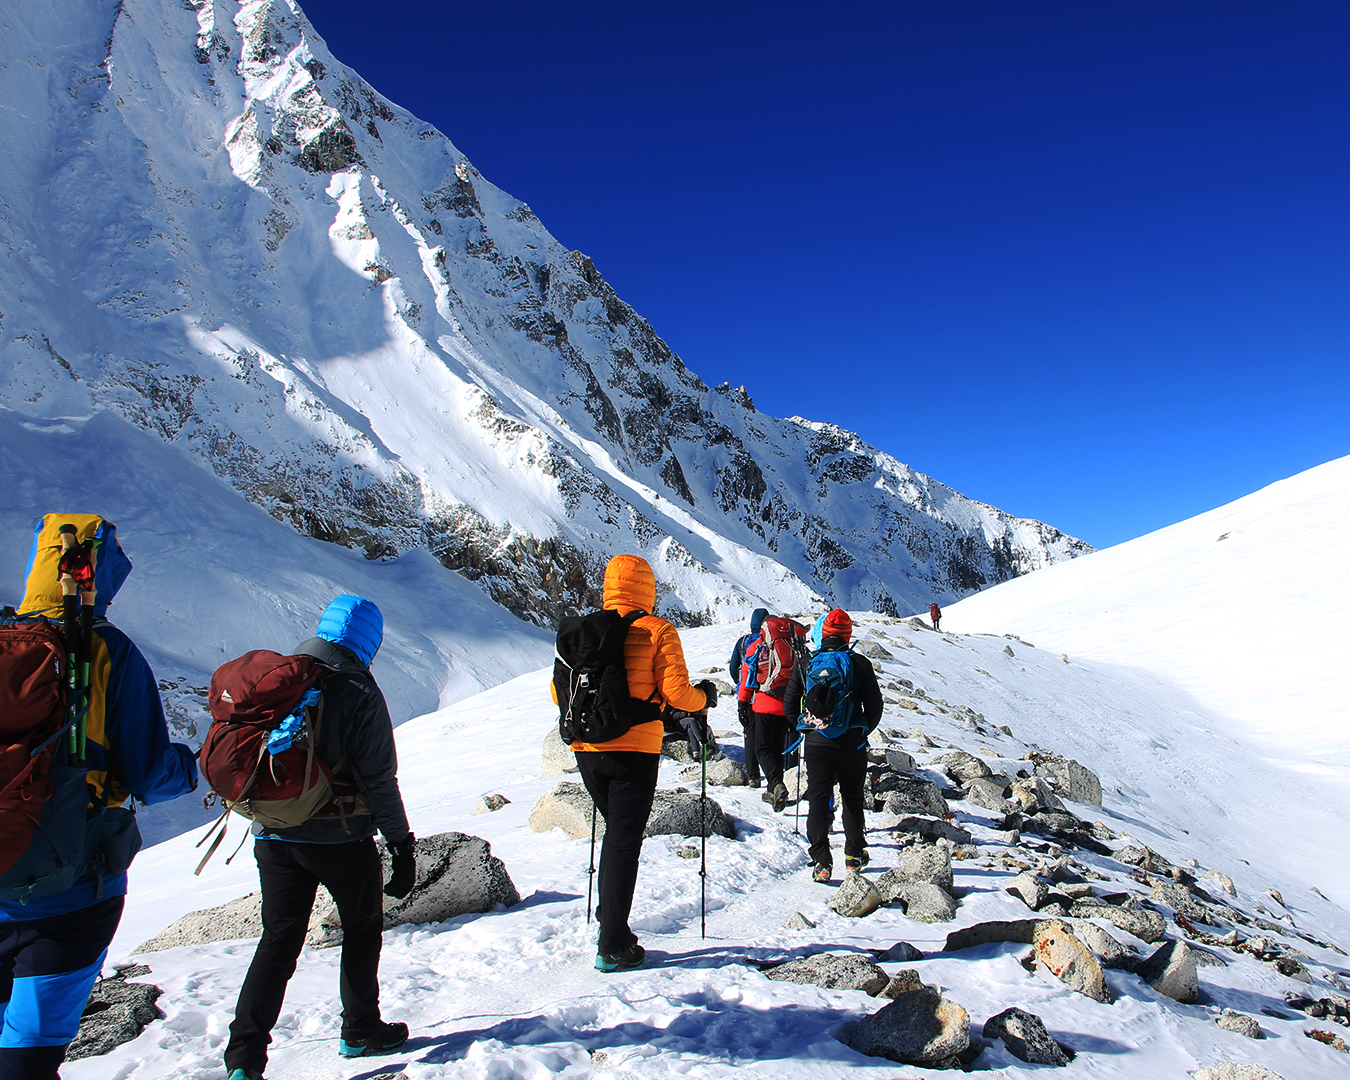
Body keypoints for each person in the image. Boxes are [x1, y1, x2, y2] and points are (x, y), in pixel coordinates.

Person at [0, 514, 198, 1080]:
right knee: (32, 1046)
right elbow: (147, 772)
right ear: (100, 571)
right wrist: (188, 770)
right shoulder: (105, 650)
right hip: (72, 888)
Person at [224, 595, 416, 1080]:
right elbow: (379, 779)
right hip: (340, 839)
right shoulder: (358, 690)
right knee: (361, 930)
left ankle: (244, 1057)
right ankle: (360, 1029)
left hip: (274, 836)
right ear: (369, 642)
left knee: (278, 941)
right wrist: (400, 843)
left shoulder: (283, 680)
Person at [561, 555, 713, 973]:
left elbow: (559, 694)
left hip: (587, 748)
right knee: (624, 840)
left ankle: (609, 914)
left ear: (609, 586)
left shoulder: (585, 632)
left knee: (616, 833)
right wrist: (704, 698)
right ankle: (613, 944)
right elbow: (677, 693)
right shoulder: (658, 630)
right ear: (647, 588)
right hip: (635, 751)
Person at [783, 608, 883, 884]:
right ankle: (853, 855)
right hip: (852, 743)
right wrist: (861, 729)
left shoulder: (806, 663)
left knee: (818, 797)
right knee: (852, 797)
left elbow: (789, 705)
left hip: (817, 744)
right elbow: (875, 706)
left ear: (823, 633)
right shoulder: (859, 663)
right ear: (847, 635)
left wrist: (807, 726)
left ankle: (821, 861)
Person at [727, 608, 768, 788]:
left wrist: (740, 683)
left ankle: (753, 775)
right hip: (765, 694)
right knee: (767, 733)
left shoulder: (743, 642)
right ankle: (773, 773)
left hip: (746, 695)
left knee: (750, 733)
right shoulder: (768, 641)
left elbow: (733, 667)